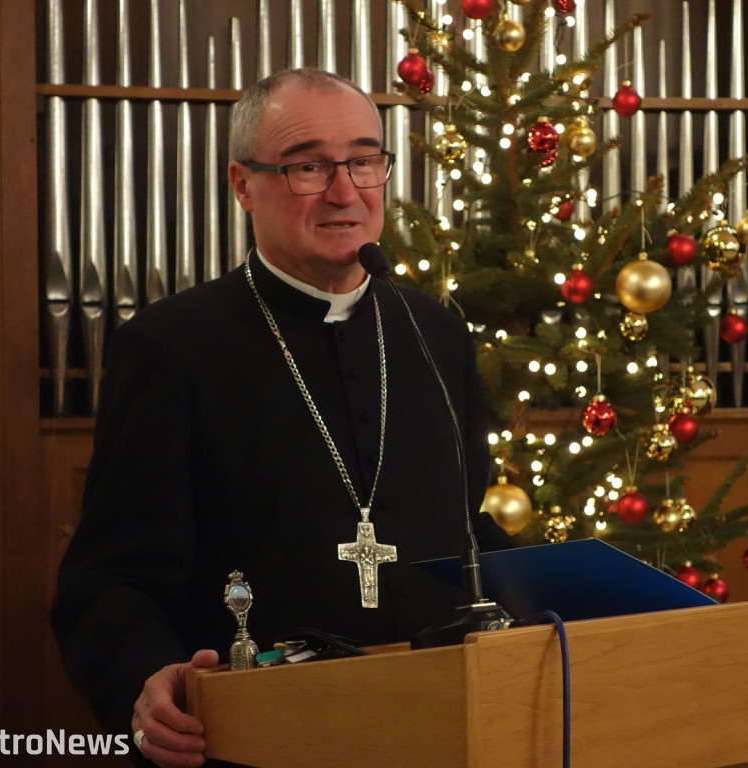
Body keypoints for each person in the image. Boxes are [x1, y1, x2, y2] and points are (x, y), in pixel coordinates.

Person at [50, 68, 514, 768]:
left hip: (443, 728)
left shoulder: (432, 332)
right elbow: (112, 577)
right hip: (259, 738)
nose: (344, 191)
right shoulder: (171, 347)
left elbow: (465, 530)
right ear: (243, 184)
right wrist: (143, 678)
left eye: (364, 160)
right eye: (308, 167)